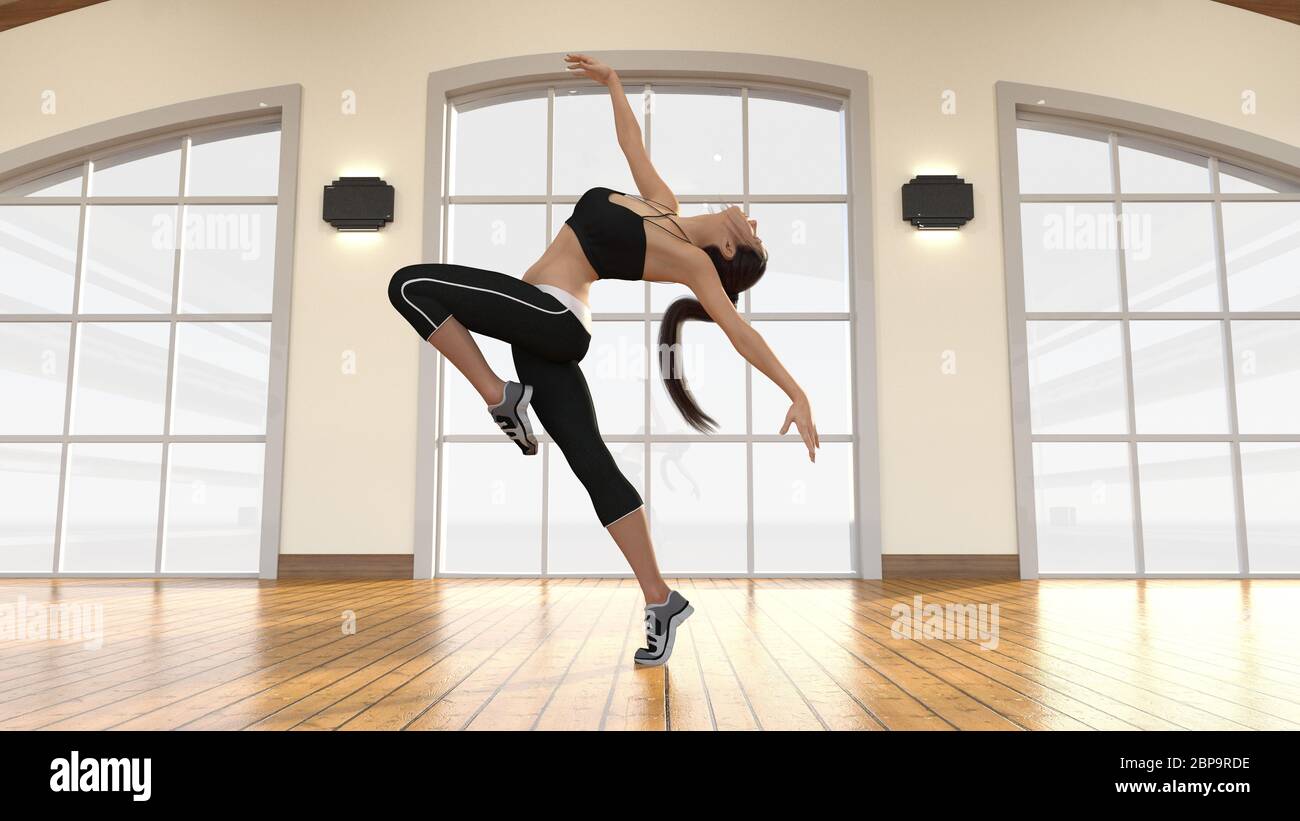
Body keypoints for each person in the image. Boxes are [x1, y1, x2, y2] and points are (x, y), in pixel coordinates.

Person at [388, 53, 819, 666]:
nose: (752, 220)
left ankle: (499, 396)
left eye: (754, 233)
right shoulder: (662, 206)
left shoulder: (695, 264)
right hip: (544, 330)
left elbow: (737, 331)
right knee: (592, 464)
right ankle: (661, 599)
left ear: (729, 247)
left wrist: (795, 391)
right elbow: (631, 141)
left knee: (410, 286)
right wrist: (614, 83)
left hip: (554, 317)